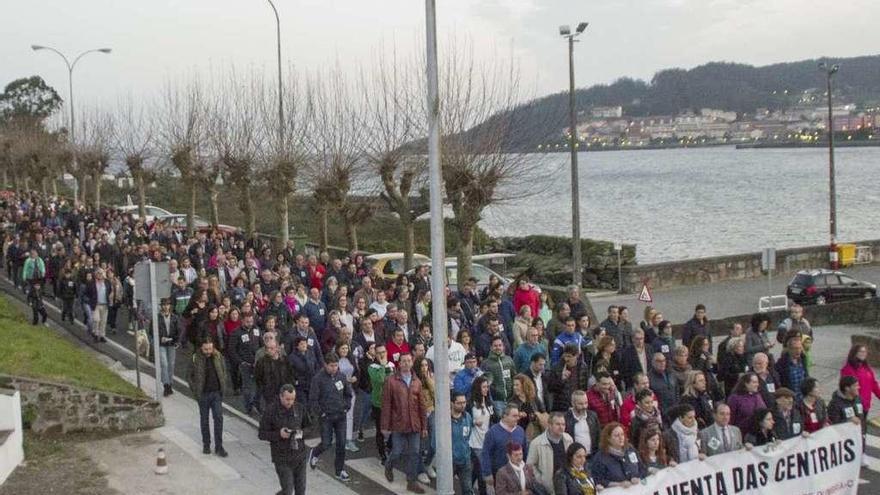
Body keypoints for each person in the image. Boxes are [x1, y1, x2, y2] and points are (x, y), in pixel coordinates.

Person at [381, 352, 429, 494]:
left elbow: (422, 406)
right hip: (398, 424)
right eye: (404, 361)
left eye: (409, 361)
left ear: (412, 363)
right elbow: (387, 405)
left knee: (414, 453)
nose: (407, 363)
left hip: (414, 424)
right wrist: (385, 426)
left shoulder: (417, 382)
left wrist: (424, 426)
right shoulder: (391, 381)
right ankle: (389, 465)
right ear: (399, 363)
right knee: (397, 451)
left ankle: (411, 481)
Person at [308, 352, 353, 482]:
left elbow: (347, 394)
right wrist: (320, 412)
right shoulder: (318, 379)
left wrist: (346, 406)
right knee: (326, 443)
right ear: (325, 365)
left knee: (341, 443)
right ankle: (315, 452)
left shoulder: (341, 376)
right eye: (332, 366)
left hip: (340, 415)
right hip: (326, 417)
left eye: (336, 365)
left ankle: (339, 470)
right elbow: (313, 399)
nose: (334, 368)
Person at [259, 384, 310, 495]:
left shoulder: (299, 408)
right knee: (287, 490)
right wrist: (279, 434)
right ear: (281, 397)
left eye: (292, 399)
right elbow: (262, 434)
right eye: (287, 399)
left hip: (299, 456)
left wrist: (301, 433)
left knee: (301, 490)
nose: (290, 402)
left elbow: (309, 427)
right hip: (282, 458)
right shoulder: (271, 411)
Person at [187, 338, 229, 457]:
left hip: (216, 393)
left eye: (210, 348)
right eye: (206, 349)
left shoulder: (218, 356)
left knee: (218, 418)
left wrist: (223, 387)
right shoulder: (196, 358)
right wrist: (195, 391)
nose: (208, 351)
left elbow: (224, 371)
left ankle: (219, 446)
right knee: (204, 420)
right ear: (201, 348)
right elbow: (189, 376)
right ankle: (206, 444)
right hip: (203, 394)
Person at [481, 404, 528, 490]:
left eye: (518, 415)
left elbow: (525, 452)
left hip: (518, 475)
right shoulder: (492, 432)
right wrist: (487, 473)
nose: (518, 418)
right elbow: (486, 453)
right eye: (514, 416)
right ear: (504, 416)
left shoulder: (520, 431)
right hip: (499, 474)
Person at [527, 412, 573, 495]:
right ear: (550, 425)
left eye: (563, 424)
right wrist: (541, 479)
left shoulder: (568, 439)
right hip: (547, 488)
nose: (561, 427)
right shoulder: (536, 443)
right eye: (557, 424)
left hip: (566, 485)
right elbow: (530, 466)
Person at [828, 375, 867, 465]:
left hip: (857, 439)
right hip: (844, 445)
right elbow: (833, 424)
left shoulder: (858, 399)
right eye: (856, 386)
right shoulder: (835, 404)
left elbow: (862, 417)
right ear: (847, 388)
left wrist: (863, 433)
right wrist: (848, 421)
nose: (859, 387)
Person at [589, 422, 642, 489]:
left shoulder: (630, 450)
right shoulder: (600, 457)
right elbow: (598, 480)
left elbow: (641, 468)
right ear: (608, 438)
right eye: (617, 435)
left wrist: (638, 477)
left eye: (622, 434)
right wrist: (619, 484)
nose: (621, 438)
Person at [367, 343, 395, 464]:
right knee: (380, 430)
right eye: (379, 353)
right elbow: (380, 379)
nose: (382, 355)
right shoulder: (372, 367)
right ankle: (382, 454)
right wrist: (383, 366)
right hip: (379, 403)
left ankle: (390, 447)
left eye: (383, 352)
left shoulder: (392, 365)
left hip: (392, 402)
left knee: (394, 428)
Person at [469, 376, 497, 495]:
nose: (486, 389)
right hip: (474, 443)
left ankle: (467, 488)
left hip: (486, 442)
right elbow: (465, 419)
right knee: (481, 473)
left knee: (476, 471)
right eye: (484, 387)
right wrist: (474, 422)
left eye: (487, 387)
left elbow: (494, 418)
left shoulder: (489, 403)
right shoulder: (471, 403)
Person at [231, 313, 263, 414]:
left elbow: (261, 344)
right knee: (247, 387)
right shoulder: (236, 333)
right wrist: (241, 362)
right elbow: (232, 350)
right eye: (247, 321)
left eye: (251, 321)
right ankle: (248, 407)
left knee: (259, 386)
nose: (250, 323)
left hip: (258, 363)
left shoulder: (256, 330)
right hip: (245, 364)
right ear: (242, 321)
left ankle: (257, 404)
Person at [255, 338, 296, 412]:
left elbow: (290, 374)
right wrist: (264, 389)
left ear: (277, 348)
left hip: (284, 392)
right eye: (267, 348)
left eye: (271, 348)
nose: (269, 350)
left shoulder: (285, 360)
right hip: (269, 394)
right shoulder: (261, 362)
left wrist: (290, 387)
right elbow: (258, 378)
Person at [548, 344, 590, 413]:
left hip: (578, 404)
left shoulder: (583, 367)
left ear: (577, 355)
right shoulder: (557, 368)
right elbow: (550, 388)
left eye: (569, 356)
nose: (566, 359)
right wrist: (562, 379)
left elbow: (585, 387)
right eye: (565, 356)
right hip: (562, 406)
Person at [840, 344, 880, 417]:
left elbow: (874, 384)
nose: (863, 354)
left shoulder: (866, 368)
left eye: (865, 352)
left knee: (863, 427)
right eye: (860, 351)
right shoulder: (847, 369)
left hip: (865, 405)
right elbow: (845, 389)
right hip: (854, 407)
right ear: (854, 353)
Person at [448, 392, 475, 495]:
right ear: (452, 403)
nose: (463, 405)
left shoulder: (467, 416)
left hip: (465, 460)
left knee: (468, 489)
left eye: (464, 402)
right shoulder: (446, 419)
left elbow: (468, 435)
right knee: (446, 488)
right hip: (450, 461)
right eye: (459, 403)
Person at [482, 335, 516, 414]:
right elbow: (484, 382)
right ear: (491, 347)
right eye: (495, 346)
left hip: (511, 399)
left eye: (500, 345)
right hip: (496, 400)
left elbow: (514, 376)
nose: (498, 347)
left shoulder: (509, 360)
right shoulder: (486, 363)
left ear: (503, 346)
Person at [564, 391, 600, 459]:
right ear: (573, 403)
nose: (584, 406)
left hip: (592, 456)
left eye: (586, 403)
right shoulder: (566, 418)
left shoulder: (593, 416)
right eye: (580, 404)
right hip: (575, 458)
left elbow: (598, 436)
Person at [511, 374, 548, 440]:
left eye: (517, 385)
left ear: (524, 385)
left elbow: (544, 413)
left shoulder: (534, 399)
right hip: (519, 434)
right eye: (514, 385)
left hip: (536, 432)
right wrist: (518, 415)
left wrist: (537, 415)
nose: (514, 387)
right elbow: (509, 417)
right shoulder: (512, 401)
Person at [156, 299, 181, 396]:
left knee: (171, 364)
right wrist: (159, 338)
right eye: (164, 305)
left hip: (171, 343)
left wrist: (177, 341)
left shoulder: (174, 317)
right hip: (161, 343)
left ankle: (170, 383)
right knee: (164, 364)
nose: (166, 307)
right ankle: (166, 385)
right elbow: (152, 331)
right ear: (161, 306)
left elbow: (179, 330)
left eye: (167, 305)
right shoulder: (158, 317)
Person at [775, 334, 808, 400]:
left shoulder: (802, 360)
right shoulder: (781, 364)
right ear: (789, 349)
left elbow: (806, 376)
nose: (798, 351)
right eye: (795, 348)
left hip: (803, 397)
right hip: (790, 398)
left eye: (800, 348)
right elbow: (780, 384)